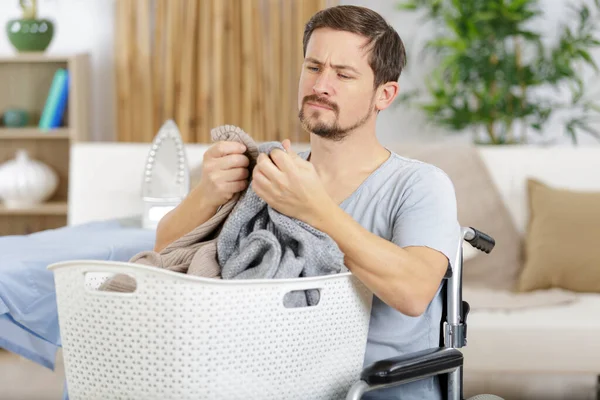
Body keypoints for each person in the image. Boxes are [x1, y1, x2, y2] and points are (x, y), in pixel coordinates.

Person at [154, 5, 460, 400]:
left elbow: (415, 291)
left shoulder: (420, 185)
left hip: (375, 390)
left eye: (343, 74)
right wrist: (206, 194)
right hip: (266, 384)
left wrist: (315, 210)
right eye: (313, 67)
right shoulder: (271, 174)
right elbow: (164, 253)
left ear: (384, 94)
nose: (321, 85)